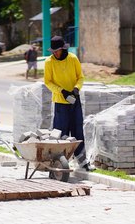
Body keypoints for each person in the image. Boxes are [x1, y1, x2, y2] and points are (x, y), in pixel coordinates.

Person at [44, 35, 95, 172]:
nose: (55, 53)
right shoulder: (49, 62)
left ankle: (83, 162)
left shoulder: (73, 58)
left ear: (63, 49)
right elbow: (48, 81)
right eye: (53, 51)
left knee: (78, 130)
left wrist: (76, 89)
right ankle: (59, 162)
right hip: (60, 101)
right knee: (61, 133)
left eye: (57, 50)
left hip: (74, 100)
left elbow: (80, 77)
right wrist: (61, 91)